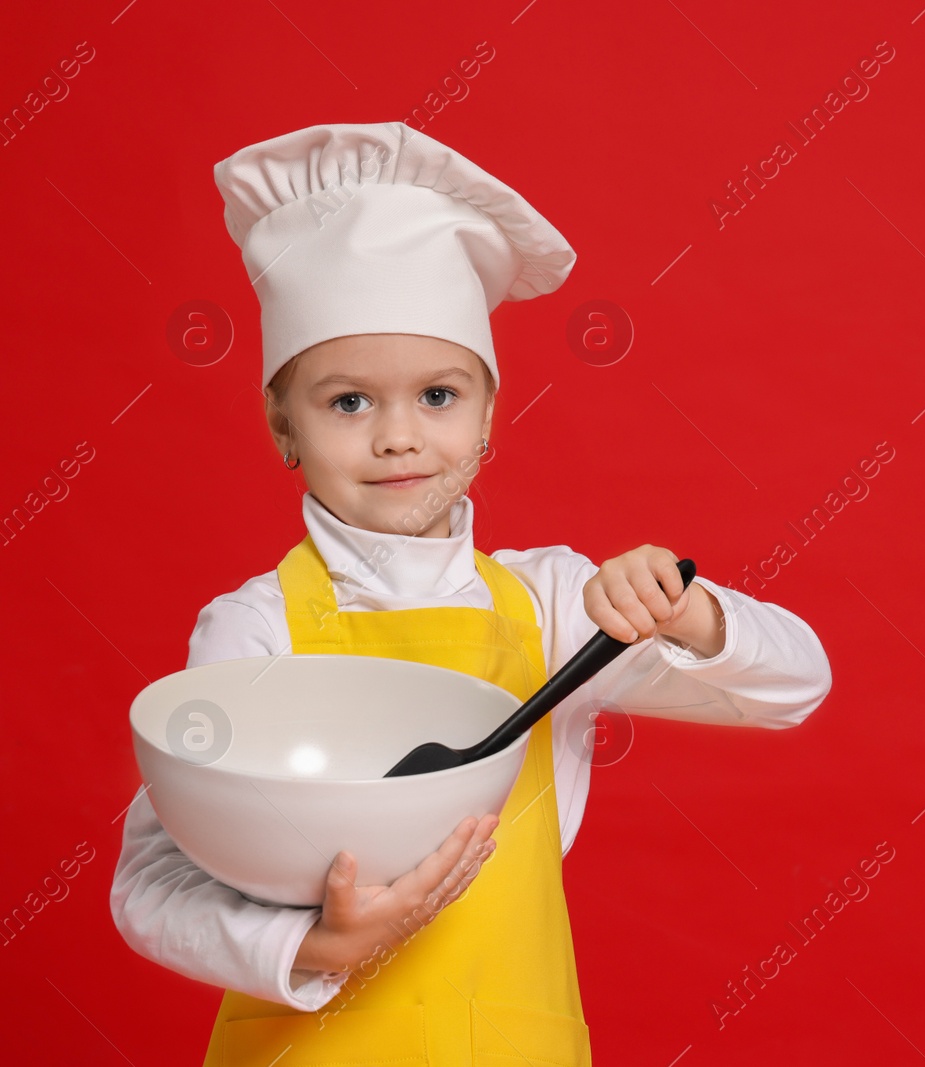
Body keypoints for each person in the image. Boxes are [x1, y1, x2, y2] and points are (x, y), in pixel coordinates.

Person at [108, 121, 832, 1066]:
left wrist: (688, 613)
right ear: (283, 422)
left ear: (491, 412)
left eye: (439, 396)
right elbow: (151, 879)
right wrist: (305, 945)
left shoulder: (559, 608)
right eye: (348, 402)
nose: (400, 438)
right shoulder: (257, 626)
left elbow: (796, 686)